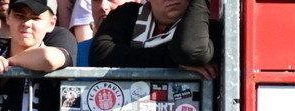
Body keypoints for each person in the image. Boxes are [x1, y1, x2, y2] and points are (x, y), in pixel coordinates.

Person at [0, 0, 74, 111]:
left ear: (51, 23)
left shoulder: (56, 51)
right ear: (8, 17)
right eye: (20, 16)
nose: (26, 23)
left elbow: (49, 58)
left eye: (35, 18)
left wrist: (7, 63)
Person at [89, 0, 219, 81]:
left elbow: (189, 51)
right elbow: (102, 54)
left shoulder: (207, 31)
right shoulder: (127, 15)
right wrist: (174, 62)